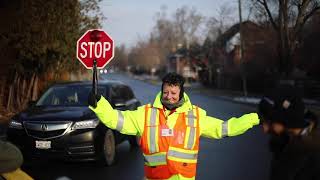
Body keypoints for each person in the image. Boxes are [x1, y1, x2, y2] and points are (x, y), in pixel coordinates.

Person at [88, 72, 260, 180]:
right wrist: (99, 105)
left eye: (173, 93)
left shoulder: (195, 116)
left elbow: (223, 128)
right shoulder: (146, 114)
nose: (169, 96)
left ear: (181, 94)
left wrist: (252, 119)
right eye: (166, 92)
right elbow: (116, 120)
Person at [258, 85, 320, 180]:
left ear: (287, 119)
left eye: (269, 122)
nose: (264, 129)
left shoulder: (311, 154)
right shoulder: (282, 142)